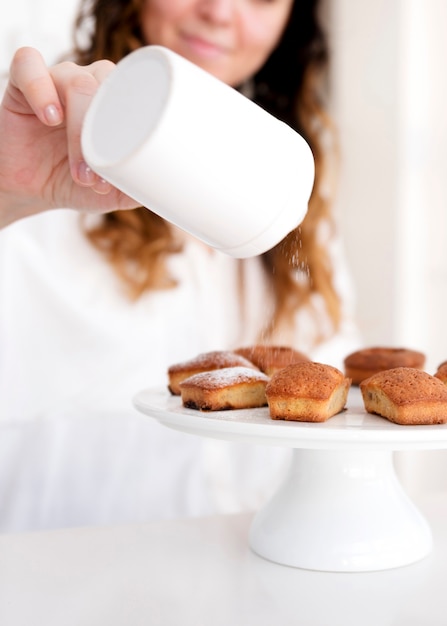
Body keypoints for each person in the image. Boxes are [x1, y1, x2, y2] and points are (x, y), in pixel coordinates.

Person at [0, 0, 360, 532]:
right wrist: (8, 190)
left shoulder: (293, 199)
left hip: (255, 585)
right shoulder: (45, 151)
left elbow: (342, 427)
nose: (219, 11)